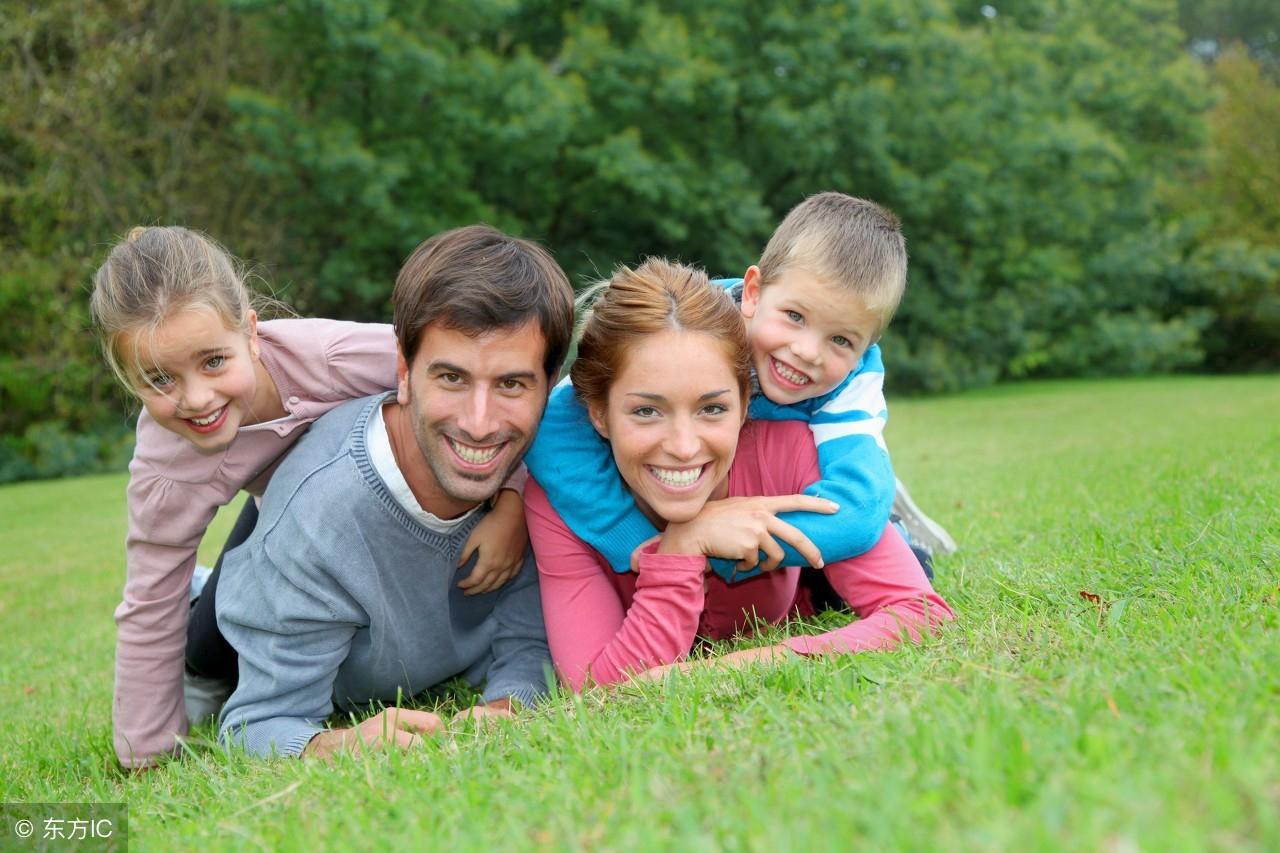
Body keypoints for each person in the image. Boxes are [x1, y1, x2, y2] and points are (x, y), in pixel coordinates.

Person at [91, 226, 529, 769]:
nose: (197, 398)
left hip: (334, 503)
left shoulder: (339, 355)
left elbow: (482, 386)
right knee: (215, 641)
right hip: (277, 519)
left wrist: (511, 501)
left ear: (251, 333)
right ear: (128, 379)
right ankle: (202, 638)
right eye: (159, 379)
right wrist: (144, 754)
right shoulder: (167, 469)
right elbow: (149, 597)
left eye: (213, 362)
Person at [215, 224, 574, 759]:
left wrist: (511, 704)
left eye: (511, 384)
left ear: (548, 388)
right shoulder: (319, 523)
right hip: (245, 615)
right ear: (404, 373)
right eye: (451, 378)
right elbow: (257, 724)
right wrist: (339, 745)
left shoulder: (550, 464)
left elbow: (531, 641)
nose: (479, 423)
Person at [524, 259, 953, 690]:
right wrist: (680, 549)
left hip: (815, 583)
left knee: (880, 560)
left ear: (746, 403)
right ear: (599, 414)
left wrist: (730, 668)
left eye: (712, 409)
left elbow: (922, 615)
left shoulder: (792, 449)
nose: (683, 446)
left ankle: (892, 514)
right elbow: (594, 688)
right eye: (646, 411)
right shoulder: (561, 497)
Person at [525, 192, 955, 594]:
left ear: (866, 350)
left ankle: (894, 531)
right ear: (752, 293)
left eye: (841, 340)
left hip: (803, 469)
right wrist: (634, 540)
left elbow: (858, 513)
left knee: (890, 559)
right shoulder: (691, 328)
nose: (807, 352)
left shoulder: (854, 381)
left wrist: (727, 544)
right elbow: (552, 425)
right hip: (699, 477)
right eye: (794, 316)